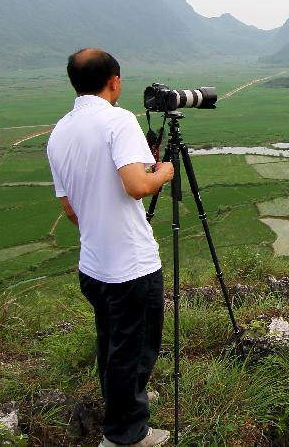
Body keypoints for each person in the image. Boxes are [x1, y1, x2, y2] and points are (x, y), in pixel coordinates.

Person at [46, 48, 174, 447]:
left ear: (74, 83)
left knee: (113, 342)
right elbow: (137, 186)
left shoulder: (60, 131)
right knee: (132, 349)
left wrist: (100, 224)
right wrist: (165, 172)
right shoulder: (118, 121)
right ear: (114, 81)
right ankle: (127, 436)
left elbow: (69, 207)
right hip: (130, 266)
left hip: (94, 264)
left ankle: (126, 402)